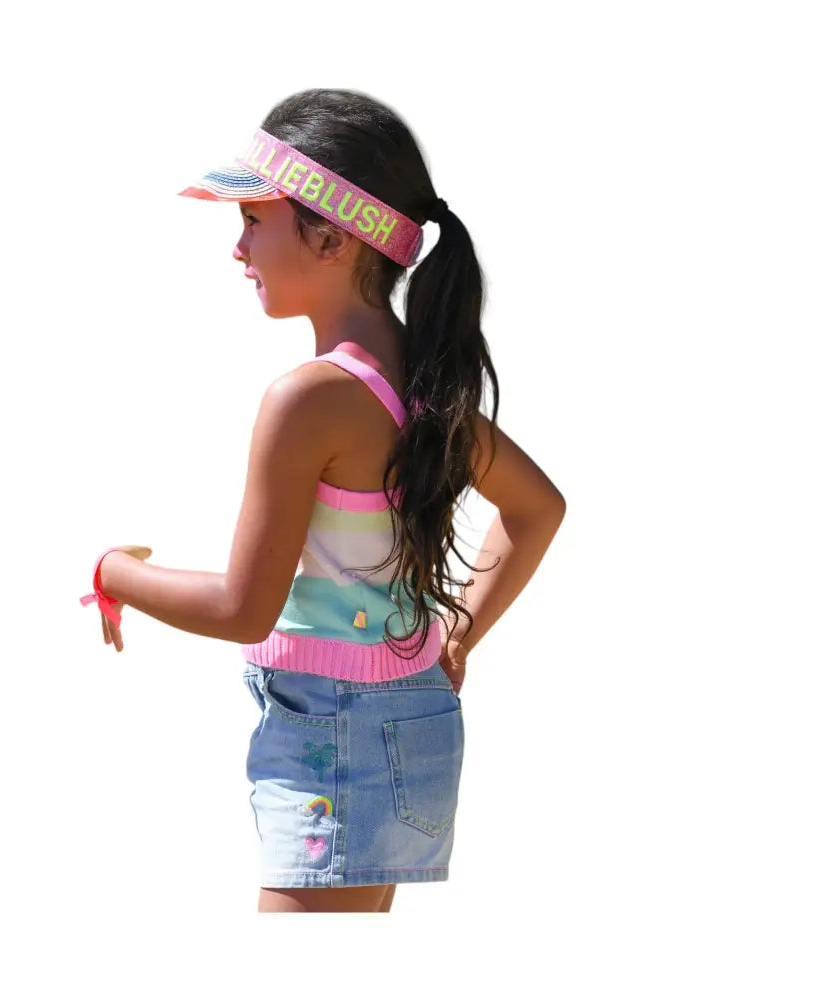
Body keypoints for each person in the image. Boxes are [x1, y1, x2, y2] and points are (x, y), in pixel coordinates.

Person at [83, 88, 566, 913]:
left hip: (334, 738)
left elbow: (243, 608)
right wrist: (459, 635)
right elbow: (537, 508)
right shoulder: (425, 384)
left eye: (254, 221)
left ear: (333, 236)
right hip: (412, 721)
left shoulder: (307, 399)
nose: (238, 248)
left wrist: (111, 571)